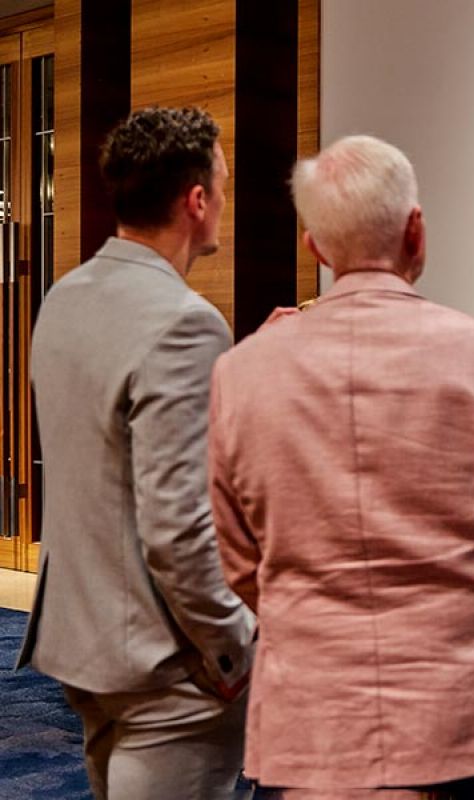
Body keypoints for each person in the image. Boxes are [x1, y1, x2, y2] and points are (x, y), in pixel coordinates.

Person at [207, 135, 474, 799]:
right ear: (415, 230)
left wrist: (310, 618)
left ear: (315, 247)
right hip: (468, 709)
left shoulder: (241, 372)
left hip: (311, 713)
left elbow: (238, 557)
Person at [16, 107, 256, 800]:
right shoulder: (185, 322)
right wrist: (233, 649)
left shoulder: (64, 298)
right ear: (197, 200)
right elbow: (178, 528)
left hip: (81, 642)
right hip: (166, 663)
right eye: (223, 184)